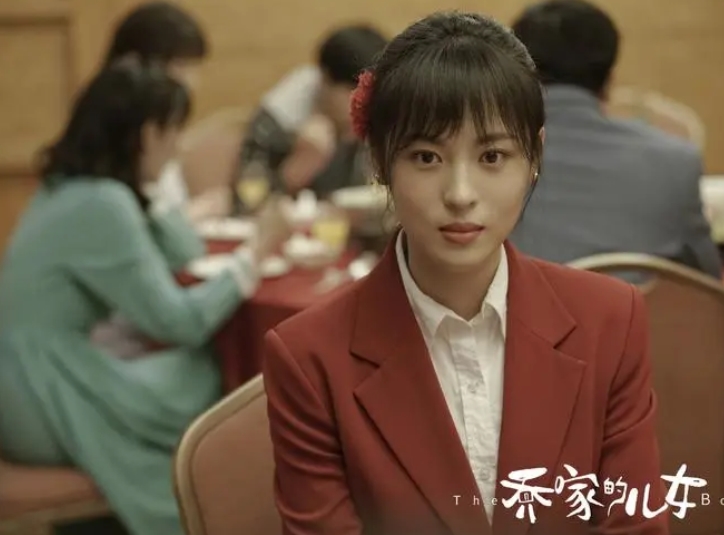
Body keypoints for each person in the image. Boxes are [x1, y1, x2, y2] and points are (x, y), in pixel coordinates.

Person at [261, 11, 668, 535]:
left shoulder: (610, 320)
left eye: (492, 156)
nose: (460, 194)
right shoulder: (309, 356)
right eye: (426, 157)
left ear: (535, 156)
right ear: (380, 161)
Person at [0, 61, 289, 535]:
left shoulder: (71, 187)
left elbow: (184, 251)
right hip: (41, 390)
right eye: (173, 131)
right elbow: (181, 323)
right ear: (147, 133)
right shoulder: (102, 202)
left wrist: (148, 188)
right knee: (205, 369)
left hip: (21, 378)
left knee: (195, 369)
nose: (179, 146)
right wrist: (255, 253)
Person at [508, 0, 721, 280]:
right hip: (639, 309)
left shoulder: (484, 157)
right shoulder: (677, 162)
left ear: (519, 74)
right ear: (609, 79)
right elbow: (705, 281)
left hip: (518, 308)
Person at [103, 0, 228, 220]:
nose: (191, 84)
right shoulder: (112, 142)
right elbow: (137, 228)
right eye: (181, 66)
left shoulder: (163, 128)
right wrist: (197, 213)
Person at [237, 24, 388, 201]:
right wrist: (295, 170)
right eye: (354, 90)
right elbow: (246, 202)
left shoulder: (380, 109)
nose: (364, 104)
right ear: (324, 81)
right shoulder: (275, 120)